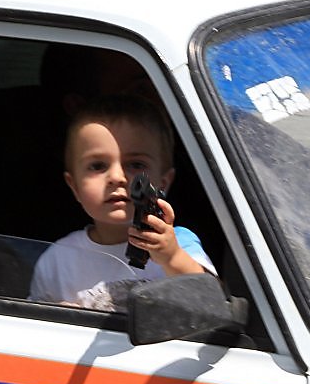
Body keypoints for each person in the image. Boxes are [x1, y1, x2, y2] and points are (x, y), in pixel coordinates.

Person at [29, 94, 214, 311]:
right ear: (74, 186)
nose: (117, 177)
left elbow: (212, 303)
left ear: (163, 183)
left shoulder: (178, 243)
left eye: (136, 164)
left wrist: (171, 257)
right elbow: (32, 324)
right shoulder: (58, 259)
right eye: (98, 166)